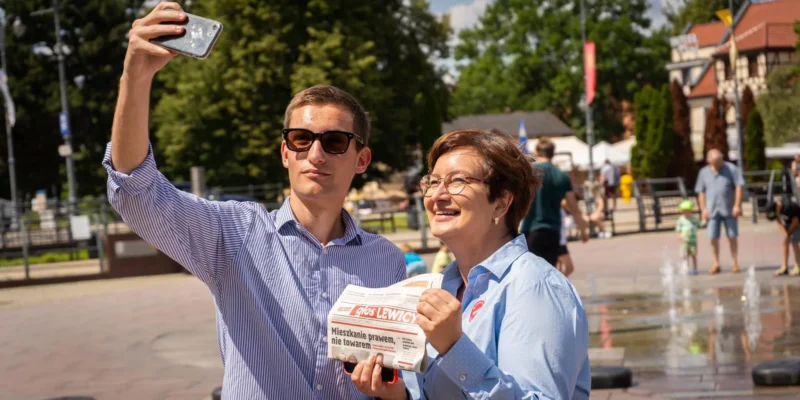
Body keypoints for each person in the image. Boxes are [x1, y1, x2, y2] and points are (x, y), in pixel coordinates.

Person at [105, 3, 406, 398]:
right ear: (285, 152)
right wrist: (135, 78)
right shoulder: (234, 234)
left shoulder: (387, 261)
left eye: (334, 142)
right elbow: (137, 191)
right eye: (301, 139)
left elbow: (400, 382)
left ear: (361, 159)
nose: (315, 154)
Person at [351, 130, 590, 400]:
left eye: (457, 181)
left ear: (500, 204)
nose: (437, 195)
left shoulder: (535, 287)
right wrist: (397, 396)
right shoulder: (442, 285)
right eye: (433, 182)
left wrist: (454, 348)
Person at [520, 138, 589, 266]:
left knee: (530, 273)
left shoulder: (529, 173)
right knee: (549, 271)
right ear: (553, 153)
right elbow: (574, 208)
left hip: (531, 229)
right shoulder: (562, 176)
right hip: (552, 230)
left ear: (537, 152)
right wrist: (583, 231)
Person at [694, 149, 745, 274]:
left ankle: (734, 262)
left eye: (720, 161)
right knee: (713, 237)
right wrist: (703, 209)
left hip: (729, 208)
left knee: (732, 236)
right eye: (715, 161)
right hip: (712, 210)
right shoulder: (704, 172)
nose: (718, 164)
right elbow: (701, 192)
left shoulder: (731, 169)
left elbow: (739, 186)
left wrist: (737, 205)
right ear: (708, 161)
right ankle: (716, 263)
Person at [766, 198, 800, 276]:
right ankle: (784, 267)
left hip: (797, 222)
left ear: (778, 207)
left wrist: (788, 233)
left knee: (794, 242)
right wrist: (785, 234)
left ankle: (798, 266)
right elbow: (778, 221)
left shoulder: (788, 206)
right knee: (785, 243)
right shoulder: (775, 209)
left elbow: (795, 222)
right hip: (789, 222)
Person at [675, 199, 701, 275]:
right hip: (684, 241)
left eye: (687, 211)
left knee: (693, 255)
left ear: (691, 211)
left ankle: (695, 268)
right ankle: (685, 268)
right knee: (684, 256)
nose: (686, 213)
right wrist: (679, 237)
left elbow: (699, 225)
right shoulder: (681, 220)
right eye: (684, 211)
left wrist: (705, 221)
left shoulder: (694, 219)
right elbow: (678, 230)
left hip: (693, 240)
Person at [557, 203, 576, 277]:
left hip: (560, 241)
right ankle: (558, 285)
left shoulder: (561, 209)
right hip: (559, 242)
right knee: (569, 268)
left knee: (557, 269)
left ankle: (555, 286)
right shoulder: (556, 209)